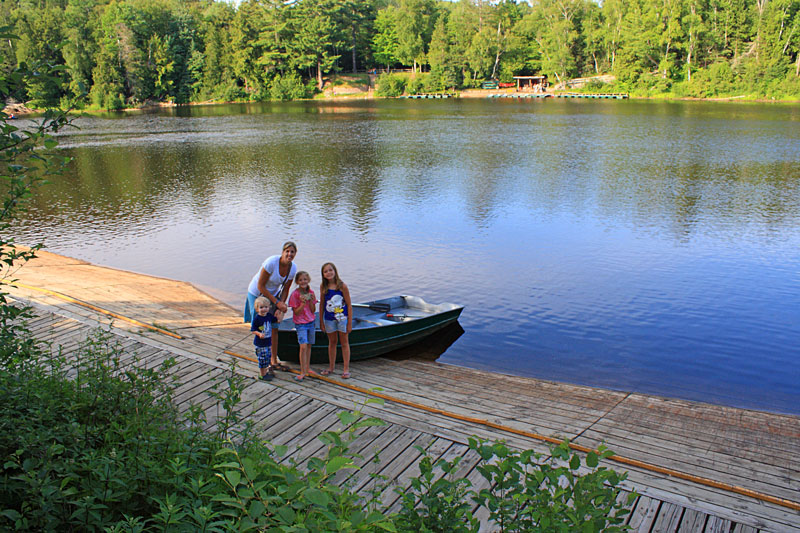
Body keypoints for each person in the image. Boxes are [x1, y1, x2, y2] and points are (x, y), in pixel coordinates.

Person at [245, 241, 297, 371]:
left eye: (292, 252)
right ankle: (263, 360)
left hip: (273, 296)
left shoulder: (293, 268)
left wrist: (281, 306)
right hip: (257, 293)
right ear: (282, 252)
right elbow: (260, 285)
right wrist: (277, 302)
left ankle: (273, 361)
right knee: (261, 326)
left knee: (274, 327)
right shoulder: (271, 262)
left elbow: (285, 289)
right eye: (287, 251)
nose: (289, 254)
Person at [319, 262, 352, 378]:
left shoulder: (342, 286)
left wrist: (349, 324)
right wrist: (321, 321)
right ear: (323, 274)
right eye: (326, 271)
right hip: (329, 319)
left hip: (342, 319)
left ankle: (346, 369)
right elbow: (322, 304)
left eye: (330, 270)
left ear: (335, 271)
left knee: (344, 343)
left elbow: (349, 305)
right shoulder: (323, 287)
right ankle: (331, 367)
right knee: (332, 342)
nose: (328, 273)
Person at [288, 271, 318, 381]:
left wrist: (310, 301)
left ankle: (307, 367)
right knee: (303, 346)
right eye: (300, 280)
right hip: (301, 324)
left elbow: (313, 310)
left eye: (305, 279)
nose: (303, 281)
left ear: (308, 280)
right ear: (297, 282)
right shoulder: (295, 295)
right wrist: (303, 303)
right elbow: (296, 312)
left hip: (311, 322)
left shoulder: (311, 292)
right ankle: (302, 371)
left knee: (309, 345)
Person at [250, 296, 273, 381]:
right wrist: (259, 334)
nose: (264, 309)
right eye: (261, 307)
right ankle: (262, 375)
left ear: (269, 307)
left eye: (266, 307)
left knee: (267, 357)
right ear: (257, 309)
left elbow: (276, 320)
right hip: (260, 344)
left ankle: (266, 372)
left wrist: (281, 312)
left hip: (268, 342)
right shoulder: (257, 319)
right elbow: (253, 330)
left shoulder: (269, 316)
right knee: (262, 359)